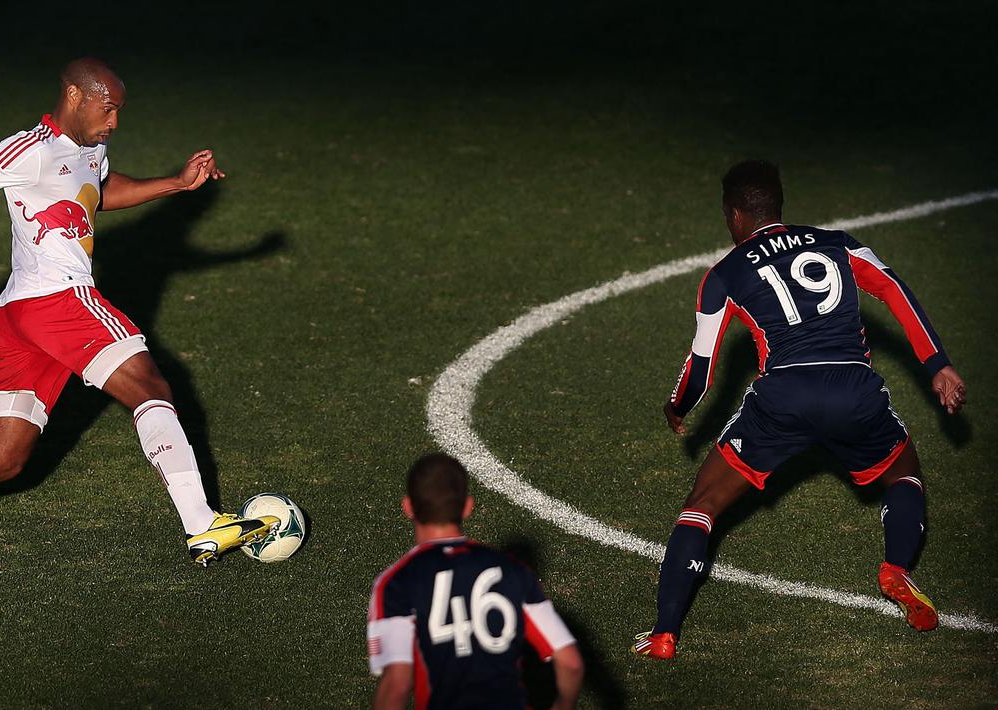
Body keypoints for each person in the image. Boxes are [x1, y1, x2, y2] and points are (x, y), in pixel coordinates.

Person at [0, 58, 278, 568]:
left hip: (22, 316)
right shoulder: (30, 149)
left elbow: (97, 194)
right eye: (107, 109)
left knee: (4, 459)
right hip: (59, 300)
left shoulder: (92, 149)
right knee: (150, 388)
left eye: (119, 112)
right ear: (74, 96)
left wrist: (176, 184)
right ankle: (202, 522)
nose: (114, 122)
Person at [631, 160, 967, 660]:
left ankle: (663, 633)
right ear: (779, 203)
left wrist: (677, 405)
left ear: (734, 213)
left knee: (702, 506)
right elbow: (894, 289)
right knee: (903, 472)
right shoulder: (838, 242)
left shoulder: (724, 274)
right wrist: (937, 363)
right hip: (854, 391)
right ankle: (896, 569)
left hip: (782, 400)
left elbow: (702, 366)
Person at [368, 453, 584, 709]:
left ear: (408, 507)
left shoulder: (396, 583)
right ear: (468, 507)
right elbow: (570, 662)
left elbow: (397, 686)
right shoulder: (513, 571)